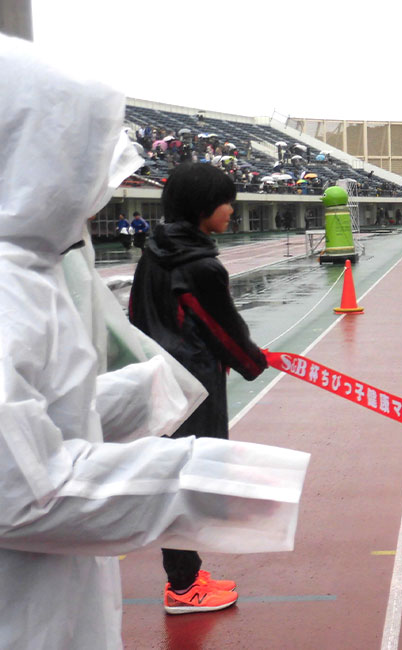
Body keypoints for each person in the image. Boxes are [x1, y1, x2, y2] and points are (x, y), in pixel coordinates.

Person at [0, 35, 309, 648]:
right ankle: (185, 580)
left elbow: (48, 415)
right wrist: (233, 481)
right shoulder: (11, 288)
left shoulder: (38, 268)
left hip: (55, 596)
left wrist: (150, 388)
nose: (101, 194)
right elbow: (24, 492)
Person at [129, 162, 275, 614]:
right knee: (188, 480)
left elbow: (136, 315)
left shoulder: (156, 251)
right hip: (193, 384)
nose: (233, 209)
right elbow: (222, 330)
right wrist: (253, 361)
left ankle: (187, 570)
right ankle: (184, 586)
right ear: (203, 207)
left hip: (160, 377)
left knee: (177, 473)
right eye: (226, 201)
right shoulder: (199, 265)